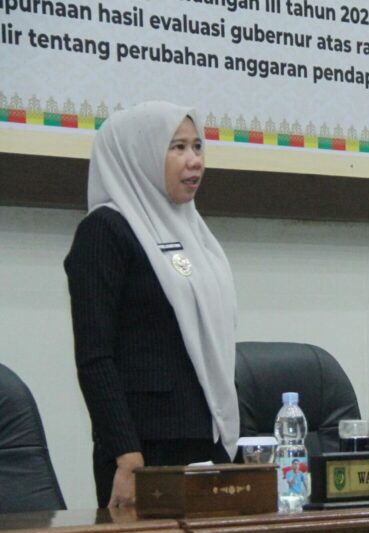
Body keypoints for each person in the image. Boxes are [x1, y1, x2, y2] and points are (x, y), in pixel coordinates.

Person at [65, 101, 240, 508]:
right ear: (138, 154)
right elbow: (94, 356)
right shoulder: (104, 232)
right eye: (177, 147)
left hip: (207, 439)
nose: (194, 161)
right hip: (143, 450)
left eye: (197, 146)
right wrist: (127, 456)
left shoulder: (195, 233)